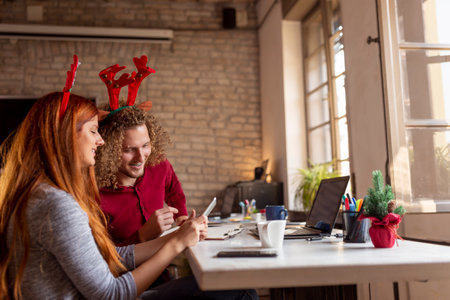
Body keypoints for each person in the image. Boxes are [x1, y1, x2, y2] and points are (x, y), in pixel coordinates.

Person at [0, 91, 257, 300]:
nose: (99, 141)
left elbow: (107, 256)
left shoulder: (39, 195)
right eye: (92, 131)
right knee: (241, 291)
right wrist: (175, 244)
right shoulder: (56, 205)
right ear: (65, 137)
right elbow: (111, 293)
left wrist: (180, 235)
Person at [95, 57, 188, 246]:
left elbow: (174, 189)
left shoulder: (159, 164)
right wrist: (142, 236)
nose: (141, 157)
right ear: (107, 150)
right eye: (129, 149)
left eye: (145, 145)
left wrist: (182, 217)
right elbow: (101, 264)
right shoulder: (94, 195)